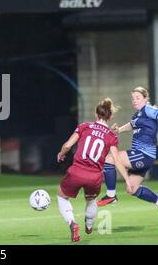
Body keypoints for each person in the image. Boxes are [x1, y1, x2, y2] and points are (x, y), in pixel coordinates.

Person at [97, 87, 158, 222]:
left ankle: (111, 195)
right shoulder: (137, 114)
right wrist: (119, 130)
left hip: (143, 154)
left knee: (110, 159)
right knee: (132, 189)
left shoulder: (148, 109)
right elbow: (131, 125)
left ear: (145, 99)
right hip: (143, 156)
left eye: (138, 97)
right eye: (133, 98)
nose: (134, 100)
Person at [57, 98, 133, 242]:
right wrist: (128, 181)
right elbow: (117, 160)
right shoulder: (111, 136)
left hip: (77, 170)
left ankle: (72, 223)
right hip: (94, 176)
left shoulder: (84, 126)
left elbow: (67, 145)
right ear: (110, 117)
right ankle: (89, 225)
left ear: (96, 114)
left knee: (62, 196)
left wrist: (62, 153)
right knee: (91, 200)